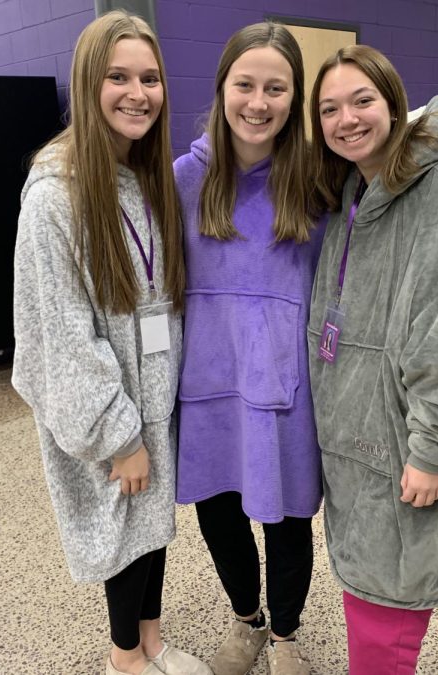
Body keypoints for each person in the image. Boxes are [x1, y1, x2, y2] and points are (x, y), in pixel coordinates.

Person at [307, 45, 438, 674]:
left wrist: (433, 449)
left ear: (393, 102)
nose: (346, 119)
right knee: (370, 601)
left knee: (386, 625)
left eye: (362, 100)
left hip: (406, 446)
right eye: (329, 108)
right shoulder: (356, 184)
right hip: (362, 447)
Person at [11, 12, 210, 675]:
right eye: (118, 77)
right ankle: (125, 660)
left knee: (151, 530)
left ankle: (151, 640)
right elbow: (61, 335)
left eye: (150, 78)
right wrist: (118, 435)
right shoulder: (55, 194)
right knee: (121, 534)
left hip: (151, 391)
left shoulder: (143, 174)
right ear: (87, 82)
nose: (138, 93)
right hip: (107, 410)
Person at [173, 22, 323, 675]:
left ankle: (286, 633)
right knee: (221, 515)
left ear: (294, 98)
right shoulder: (181, 179)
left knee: (287, 519)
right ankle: (247, 620)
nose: (258, 103)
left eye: (276, 88)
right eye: (246, 85)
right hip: (207, 380)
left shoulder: (319, 180)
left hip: (285, 385)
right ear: (222, 88)